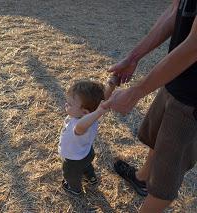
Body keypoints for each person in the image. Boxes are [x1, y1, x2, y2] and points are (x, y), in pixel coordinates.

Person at [103, 0, 197, 212]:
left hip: (193, 99)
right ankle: (142, 179)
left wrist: (135, 92)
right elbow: (176, 10)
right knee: (158, 136)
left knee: (167, 175)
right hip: (176, 78)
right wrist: (133, 57)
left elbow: (194, 47)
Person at [59, 76, 119, 195]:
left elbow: (80, 126)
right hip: (86, 152)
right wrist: (110, 86)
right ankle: (91, 178)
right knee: (86, 166)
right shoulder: (92, 115)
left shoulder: (81, 125)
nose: (66, 105)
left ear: (85, 112)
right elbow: (100, 103)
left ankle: (74, 189)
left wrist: (99, 111)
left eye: (70, 104)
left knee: (70, 175)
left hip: (73, 159)